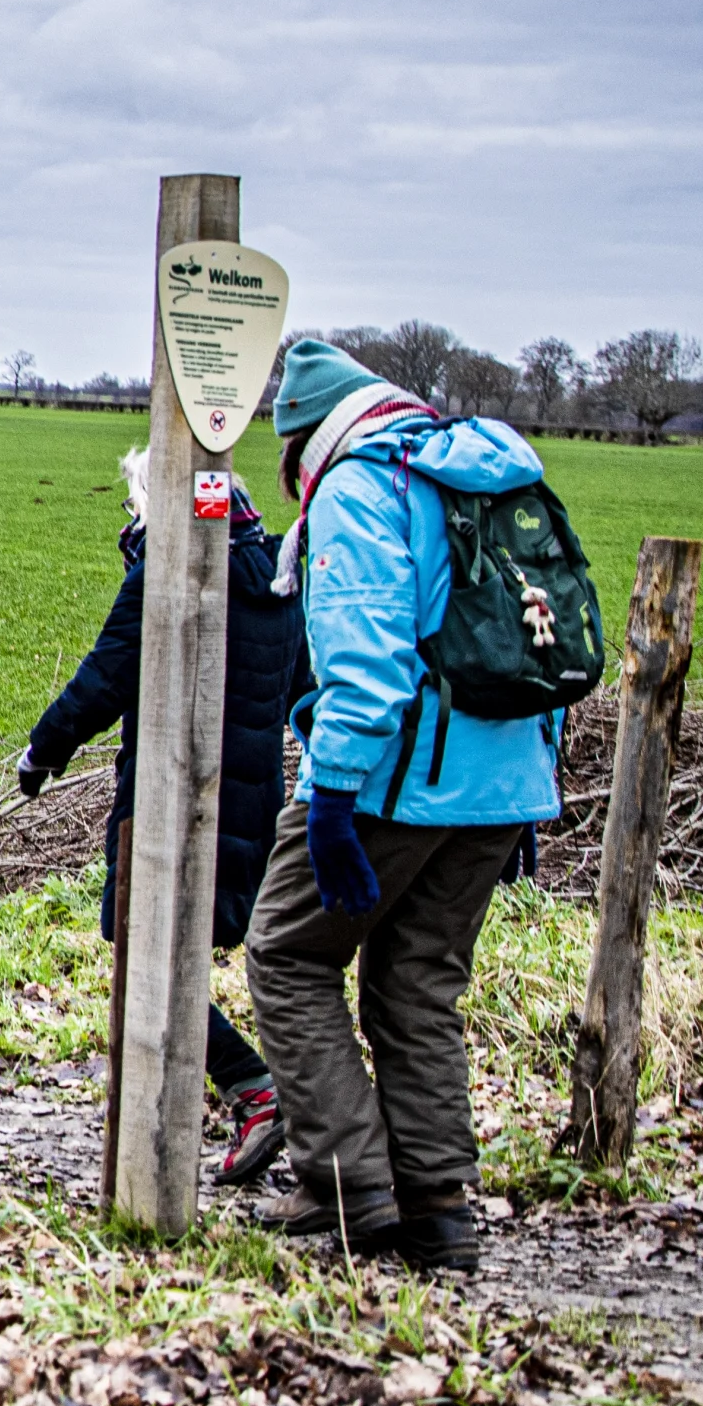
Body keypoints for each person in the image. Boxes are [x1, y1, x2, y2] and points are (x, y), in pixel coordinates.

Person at [246, 338, 562, 1271]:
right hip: (506, 783)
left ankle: (348, 1186)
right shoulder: (481, 474)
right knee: (419, 980)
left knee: (288, 954)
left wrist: (333, 795)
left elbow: (369, 668)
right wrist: (523, 797)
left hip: (394, 778)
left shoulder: (359, 487)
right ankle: (440, 1209)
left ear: (309, 435)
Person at [18, 449, 308, 1188]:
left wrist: (42, 754)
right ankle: (244, 1100)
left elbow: (103, 676)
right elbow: (301, 689)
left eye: (135, 504)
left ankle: (253, 1091)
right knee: (175, 951)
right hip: (252, 804)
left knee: (139, 945)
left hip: (168, 803)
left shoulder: (167, 570)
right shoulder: (280, 575)